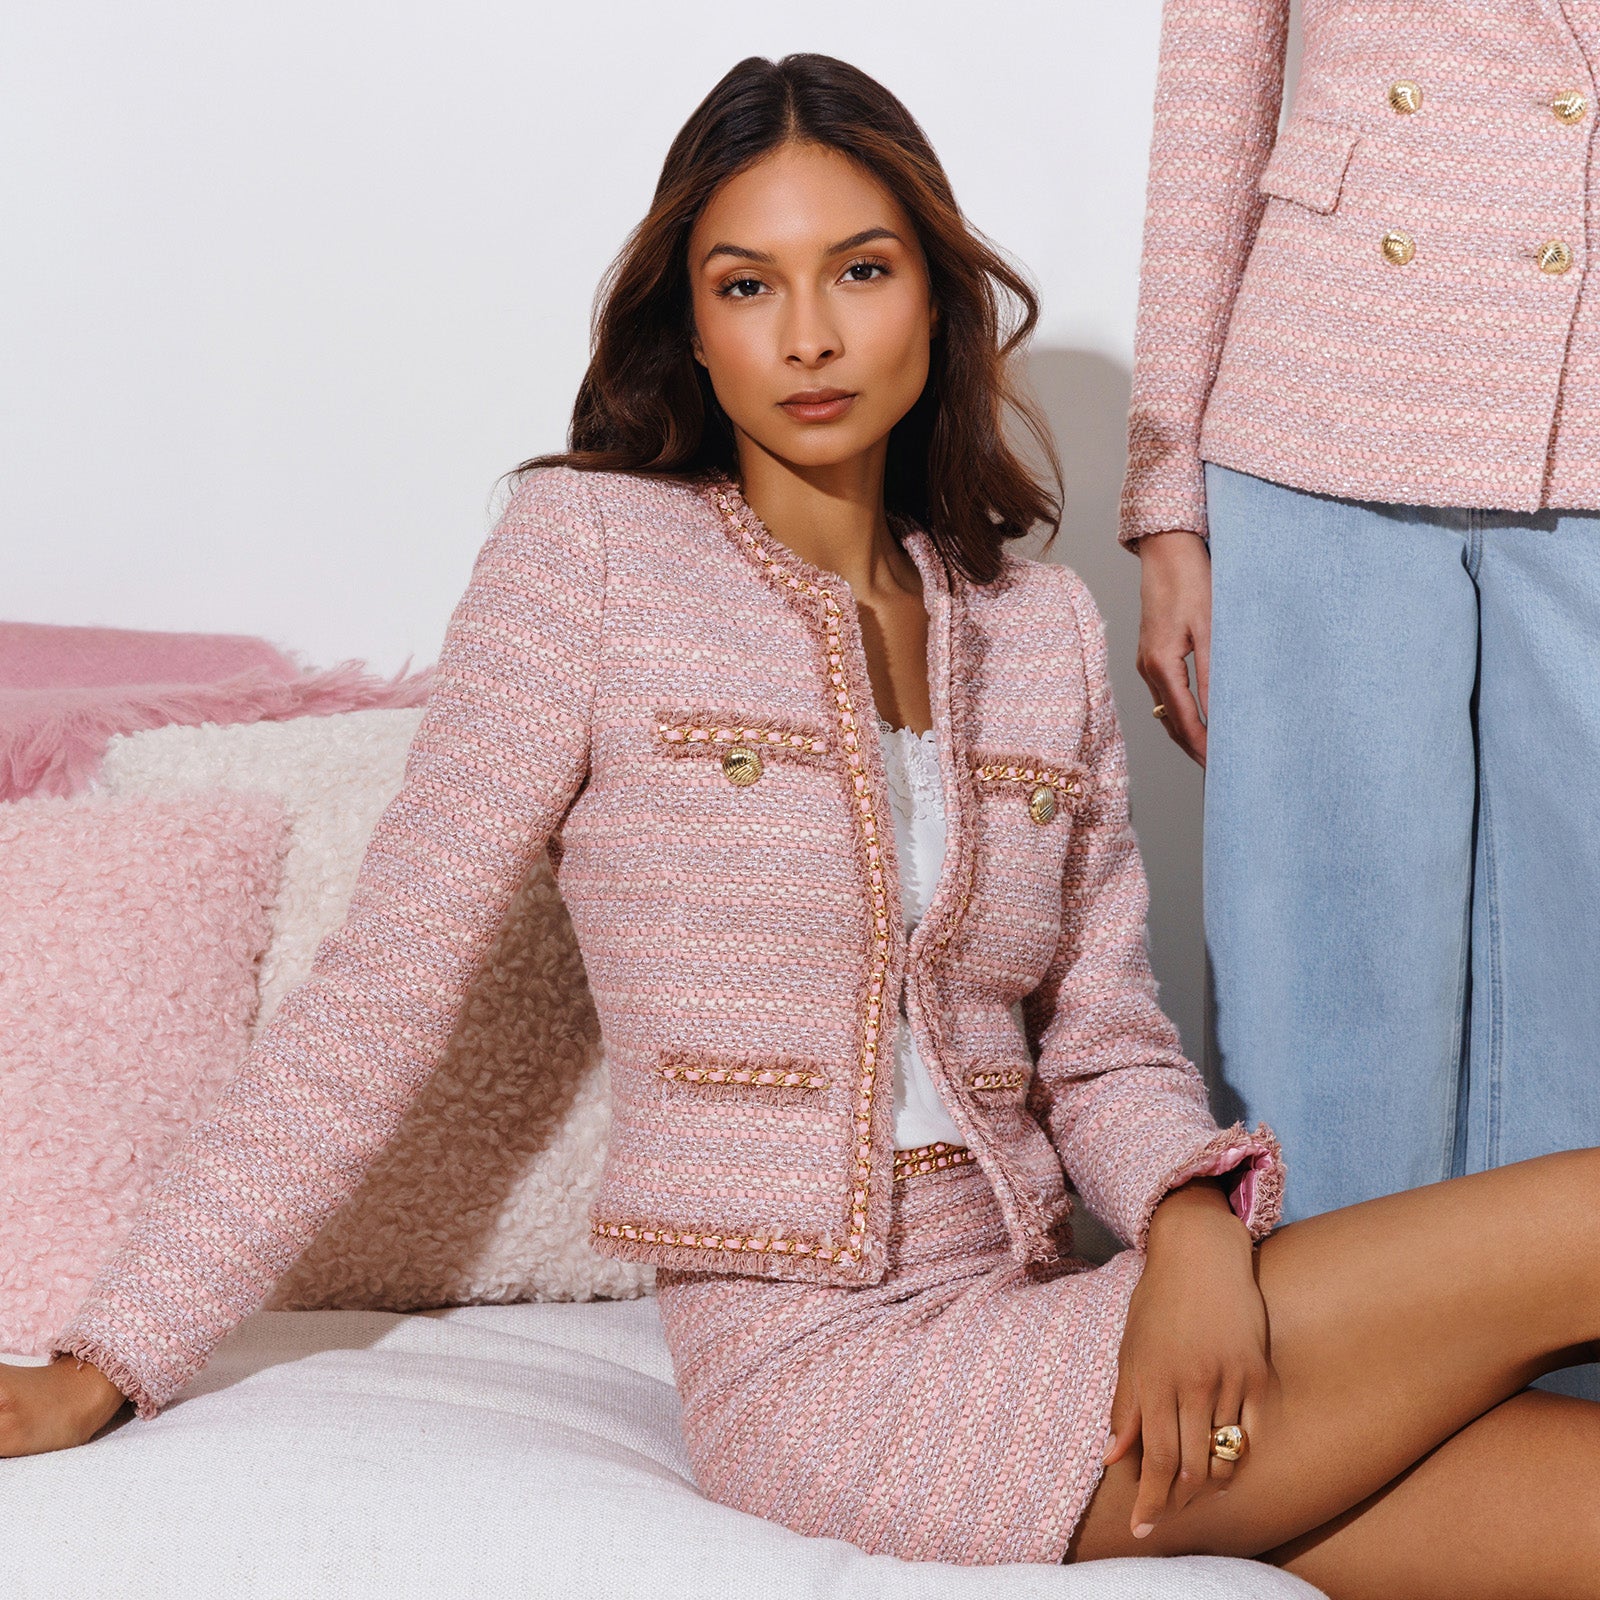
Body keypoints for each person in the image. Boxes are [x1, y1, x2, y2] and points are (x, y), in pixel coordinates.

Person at [3, 53, 1599, 1593]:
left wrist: (1190, 1229)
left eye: (862, 270)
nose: (811, 334)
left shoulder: (1036, 628)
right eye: (748, 285)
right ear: (690, 329)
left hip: (1051, 1312)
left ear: (935, 301)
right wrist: (111, 1357)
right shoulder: (588, 559)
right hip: (825, 1385)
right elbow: (379, 997)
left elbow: (1103, 1040)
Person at [1124, 3, 1600, 1233]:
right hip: (1322, 394)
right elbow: (1211, 101)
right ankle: (1324, 1344)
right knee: (1321, 1012)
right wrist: (1167, 502)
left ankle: (1558, 1359)